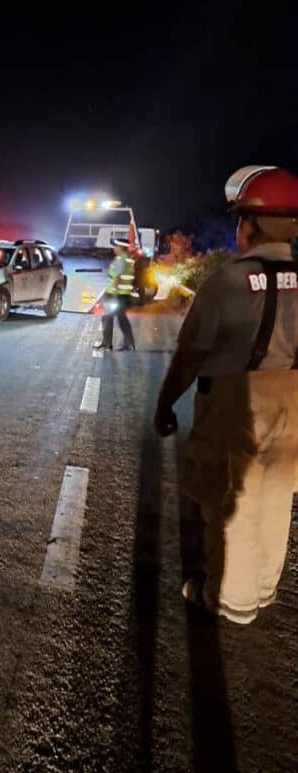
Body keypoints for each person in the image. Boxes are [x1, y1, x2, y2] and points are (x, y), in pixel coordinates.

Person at [154, 165, 298, 625]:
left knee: (230, 499)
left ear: (251, 225)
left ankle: (232, 600)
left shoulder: (228, 281)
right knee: (278, 494)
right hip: (294, 402)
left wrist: (165, 404)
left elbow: (189, 355)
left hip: (236, 403)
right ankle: (262, 589)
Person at [94, 239, 136, 350]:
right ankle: (129, 343)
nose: (113, 248)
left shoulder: (121, 260)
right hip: (123, 294)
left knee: (107, 317)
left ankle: (107, 343)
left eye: (115, 246)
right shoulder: (128, 259)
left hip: (116, 294)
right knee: (121, 319)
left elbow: (117, 278)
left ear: (120, 248)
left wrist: (114, 295)